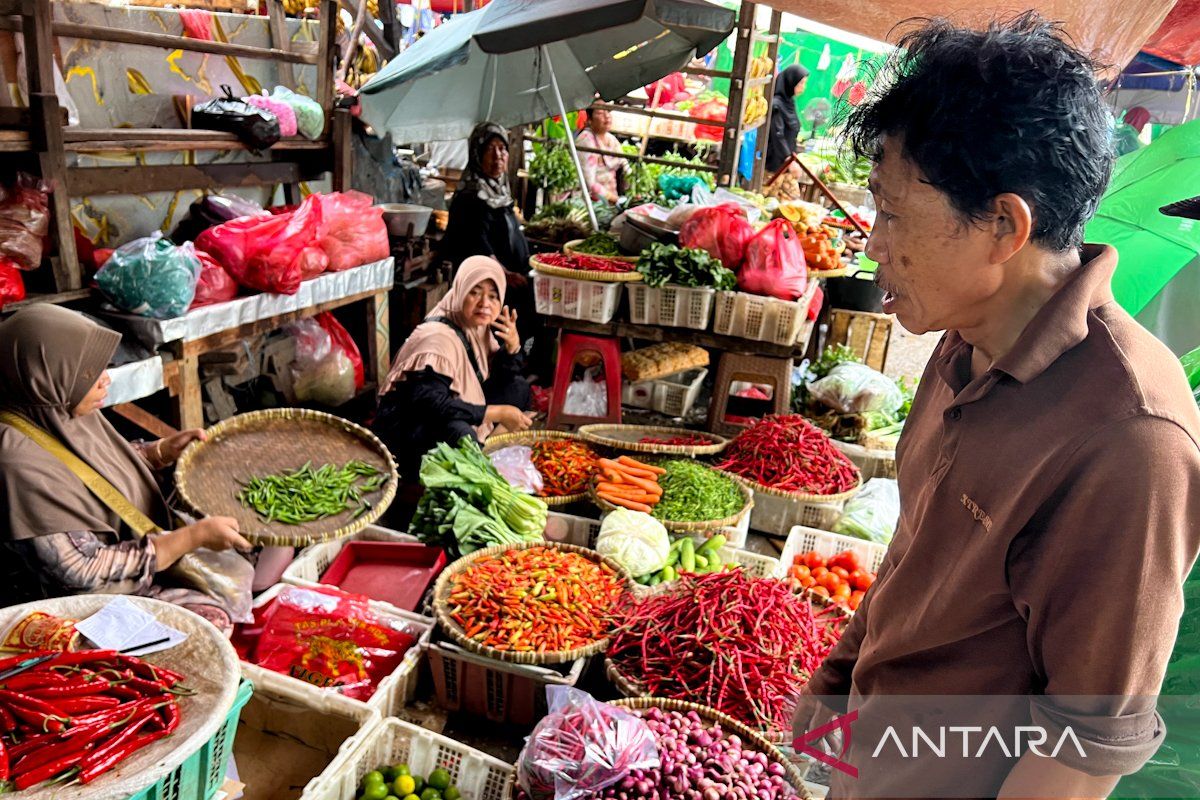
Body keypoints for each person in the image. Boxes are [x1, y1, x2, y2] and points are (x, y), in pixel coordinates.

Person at [792, 14, 1200, 800]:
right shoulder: (963, 337)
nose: (873, 244)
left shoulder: (1131, 440)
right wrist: (833, 702)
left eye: (893, 212)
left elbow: (1081, 754)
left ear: (1004, 227)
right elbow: (911, 558)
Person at [0, 305, 252, 631]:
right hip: (85, 600)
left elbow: (91, 469)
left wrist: (159, 452)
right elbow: (80, 572)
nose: (104, 379)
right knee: (210, 624)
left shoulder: (57, 409)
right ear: (43, 379)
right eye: (87, 373)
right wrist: (191, 538)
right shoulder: (20, 465)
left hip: (141, 550)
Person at [375, 256, 533, 479]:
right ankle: (475, 463)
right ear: (460, 291)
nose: (484, 303)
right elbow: (431, 405)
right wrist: (497, 413)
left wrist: (513, 347)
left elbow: (499, 376)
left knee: (518, 388)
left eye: (493, 295)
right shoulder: (437, 338)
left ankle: (485, 452)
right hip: (408, 431)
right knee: (461, 434)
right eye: (474, 292)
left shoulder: (476, 326)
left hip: (446, 412)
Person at [441, 122, 530, 279]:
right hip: (486, 282)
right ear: (477, 154)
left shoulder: (501, 191)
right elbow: (477, 244)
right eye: (490, 149)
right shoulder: (470, 197)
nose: (498, 155)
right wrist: (505, 275)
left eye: (502, 148)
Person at [764, 64, 809, 176]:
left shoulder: (789, 102)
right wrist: (788, 158)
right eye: (801, 83)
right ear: (790, 81)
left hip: (785, 163)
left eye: (804, 83)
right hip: (774, 165)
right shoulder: (777, 105)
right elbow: (777, 134)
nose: (803, 87)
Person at [576, 105, 624, 205]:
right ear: (590, 119)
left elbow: (624, 164)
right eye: (600, 113)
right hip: (591, 203)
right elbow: (589, 182)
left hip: (612, 200)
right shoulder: (585, 140)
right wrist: (615, 199)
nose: (607, 116)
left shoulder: (611, 139)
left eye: (608, 111)